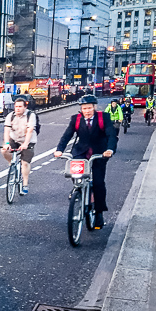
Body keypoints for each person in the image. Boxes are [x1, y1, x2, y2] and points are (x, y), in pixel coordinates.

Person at [55, 95, 117, 229]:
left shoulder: (103, 118)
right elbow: (67, 136)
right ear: (81, 109)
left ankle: (98, 212)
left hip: (99, 153)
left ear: (94, 107)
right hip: (81, 152)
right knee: (75, 173)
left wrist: (110, 150)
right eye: (84, 108)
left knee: (99, 183)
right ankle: (78, 189)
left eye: (89, 108)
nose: (87, 111)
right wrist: (59, 150)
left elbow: (111, 135)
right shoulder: (76, 119)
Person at [1, 97, 36, 195]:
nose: (18, 109)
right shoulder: (10, 116)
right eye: (16, 106)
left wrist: (25, 144)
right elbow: (7, 130)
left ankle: (25, 184)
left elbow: (30, 130)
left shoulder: (30, 115)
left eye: (20, 106)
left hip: (28, 141)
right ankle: (11, 163)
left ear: (25, 107)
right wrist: (7, 143)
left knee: (24, 163)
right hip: (14, 139)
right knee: (4, 150)